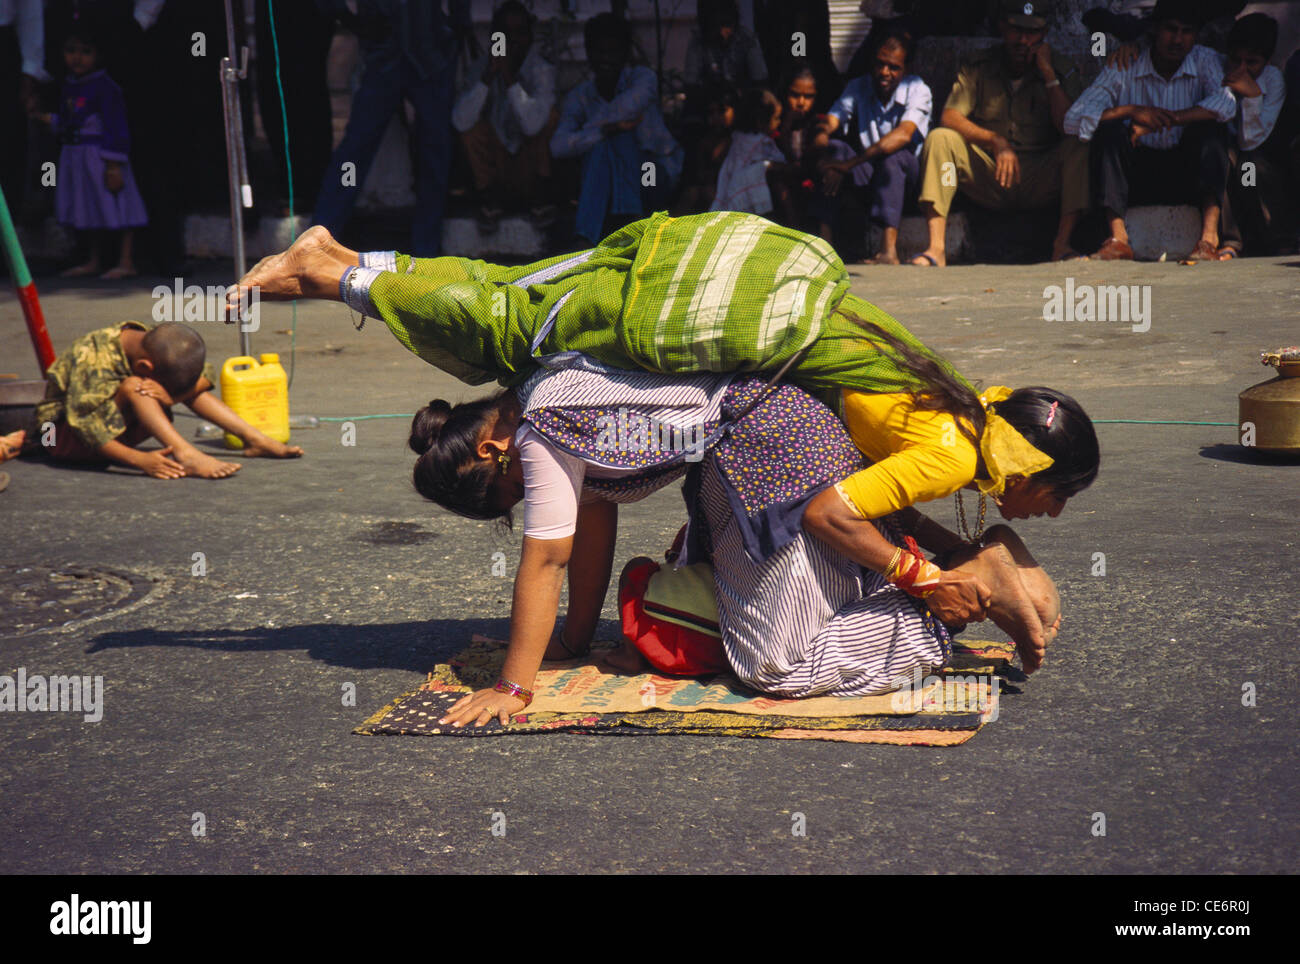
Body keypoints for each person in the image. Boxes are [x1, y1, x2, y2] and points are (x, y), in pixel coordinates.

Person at [404, 359, 1091, 727]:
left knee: (777, 667)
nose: (526, 493)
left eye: (512, 494)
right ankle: (937, 569)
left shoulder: (540, 430)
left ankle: (955, 591)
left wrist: (514, 687)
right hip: (750, 450)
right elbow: (588, 529)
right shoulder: (551, 386)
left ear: (493, 446)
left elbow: (548, 553)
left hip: (770, 454)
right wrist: (573, 641)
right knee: (765, 613)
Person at [914, 0, 1088, 265]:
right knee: (941, 139)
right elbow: (949, 116)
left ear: (1043, 35)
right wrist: (995, 141)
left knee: (1079, 145)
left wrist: (1049, 75)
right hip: (988, 174)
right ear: (1002, 29)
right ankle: (936, 248)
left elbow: (1070, 125)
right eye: (1016, 30)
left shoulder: (1060, 68)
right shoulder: (980, 66)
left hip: (1038, 179)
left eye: (1031, 33)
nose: (1022, 40)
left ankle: (1062, 246)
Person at [1064, 0, 1236, 261]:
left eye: (1186, 31)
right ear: (1155, 30)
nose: (1177, 39)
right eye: (1170, 29)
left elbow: (1226, 103)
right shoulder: (1126, 63)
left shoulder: (1205, 59)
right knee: (1109, 132)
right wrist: (1131, 111)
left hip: (1186, 174)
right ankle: (1118, 239)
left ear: (1195, 36)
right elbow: (1073, 119)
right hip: (1136, 177)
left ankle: (1208, 239)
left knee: (1212, 131)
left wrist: (1172, 119)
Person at [30, 321, 303, 478]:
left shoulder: (151, 341)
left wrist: (174, 395)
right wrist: (140, 460)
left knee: (173, 383)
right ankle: (185, 453)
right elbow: (88, 428)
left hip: (110, 425)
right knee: (135, 387)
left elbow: (203, 376)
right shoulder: (93, 359)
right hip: (62, 437)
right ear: (146, 365)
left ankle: (254, 438)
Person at [311, 0, 469, 257]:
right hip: (384, 54)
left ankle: (426, 251)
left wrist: (456, 23)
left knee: (435, 153)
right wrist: (355, 20)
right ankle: (320, 239)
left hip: (433, 51)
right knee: (355, 151)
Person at [550, 14, 682, 243]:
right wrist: (603, 132)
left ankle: (588, 235)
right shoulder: (580, 96)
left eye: (613, 52)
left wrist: (600, 131)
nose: (606, 60)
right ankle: (625, 224)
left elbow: (623, 110)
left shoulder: (643, 80)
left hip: (651, 175)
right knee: (605, 144)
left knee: (620, 141)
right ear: (589, 55)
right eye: (600, 52)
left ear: (625, 54)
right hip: (608, 181)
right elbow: (558, 146)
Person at [31, 25, 147, 279]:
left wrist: (113, 165)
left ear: (98, 55)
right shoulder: (71, 85)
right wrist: (45, 118)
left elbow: (116, 126)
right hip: (76, 158)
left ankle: (126, 261)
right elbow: (69, 119)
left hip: (101, 158)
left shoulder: (106, 87)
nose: (77, 57)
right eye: (71, 50)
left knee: (119, 206)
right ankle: (94, 260)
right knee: (90, 209)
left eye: (85, 51)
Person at [814, 23, 930, 264]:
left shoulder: (918, 89)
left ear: (906, 69)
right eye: (880, 64)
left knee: (893, 156)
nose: (885, 72)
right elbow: (834, 118)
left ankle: (889, 250)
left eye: (894, 67)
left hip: (906, 180)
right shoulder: (859, 86)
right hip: (868, 174)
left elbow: (904, 135)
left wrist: (850, 163)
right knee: (836, 151)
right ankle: (824, 244)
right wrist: (823, 142)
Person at [451, 0, 557, 217]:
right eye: (505, 34)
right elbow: (460, 121)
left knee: (550, 117)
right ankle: (489, 198)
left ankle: (540, 199)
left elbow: (532, 126)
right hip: (498, 169)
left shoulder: (542, 69)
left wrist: (509, 79)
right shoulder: (482, 68)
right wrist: (487, 78)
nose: (513, 41)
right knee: (472, 129)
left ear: (530, 36)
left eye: (520, 33)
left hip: (528, 168)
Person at [1217, 13, 1289, 257]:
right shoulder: (1219, 71)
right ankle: (1232, 240)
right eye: (1236, 60)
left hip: (1261, 155)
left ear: (1266, 61)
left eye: (1252, 62)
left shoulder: (1274, 80)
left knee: (1250, 170)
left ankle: (1273, 236)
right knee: (1222, 160)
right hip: (1231, 150)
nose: (1241, 69)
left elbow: (1251, 141)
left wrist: (1253, 96)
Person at [710, 87, 785, 215]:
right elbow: (780, 163)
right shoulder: (763, 142)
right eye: (776, 118)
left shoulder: (737, 137)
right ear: (761, 122)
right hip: (746, 187)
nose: (779, 122)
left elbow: (716, 156)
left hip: (730, 187)